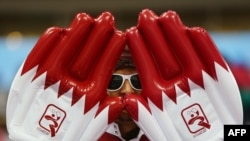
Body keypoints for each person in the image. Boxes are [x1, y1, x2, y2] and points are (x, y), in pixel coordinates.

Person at [99, 48, 149, 141]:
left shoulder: (175, 129)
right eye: (115, 81)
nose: (127, 90)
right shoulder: (77, 130)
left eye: (136, 81)